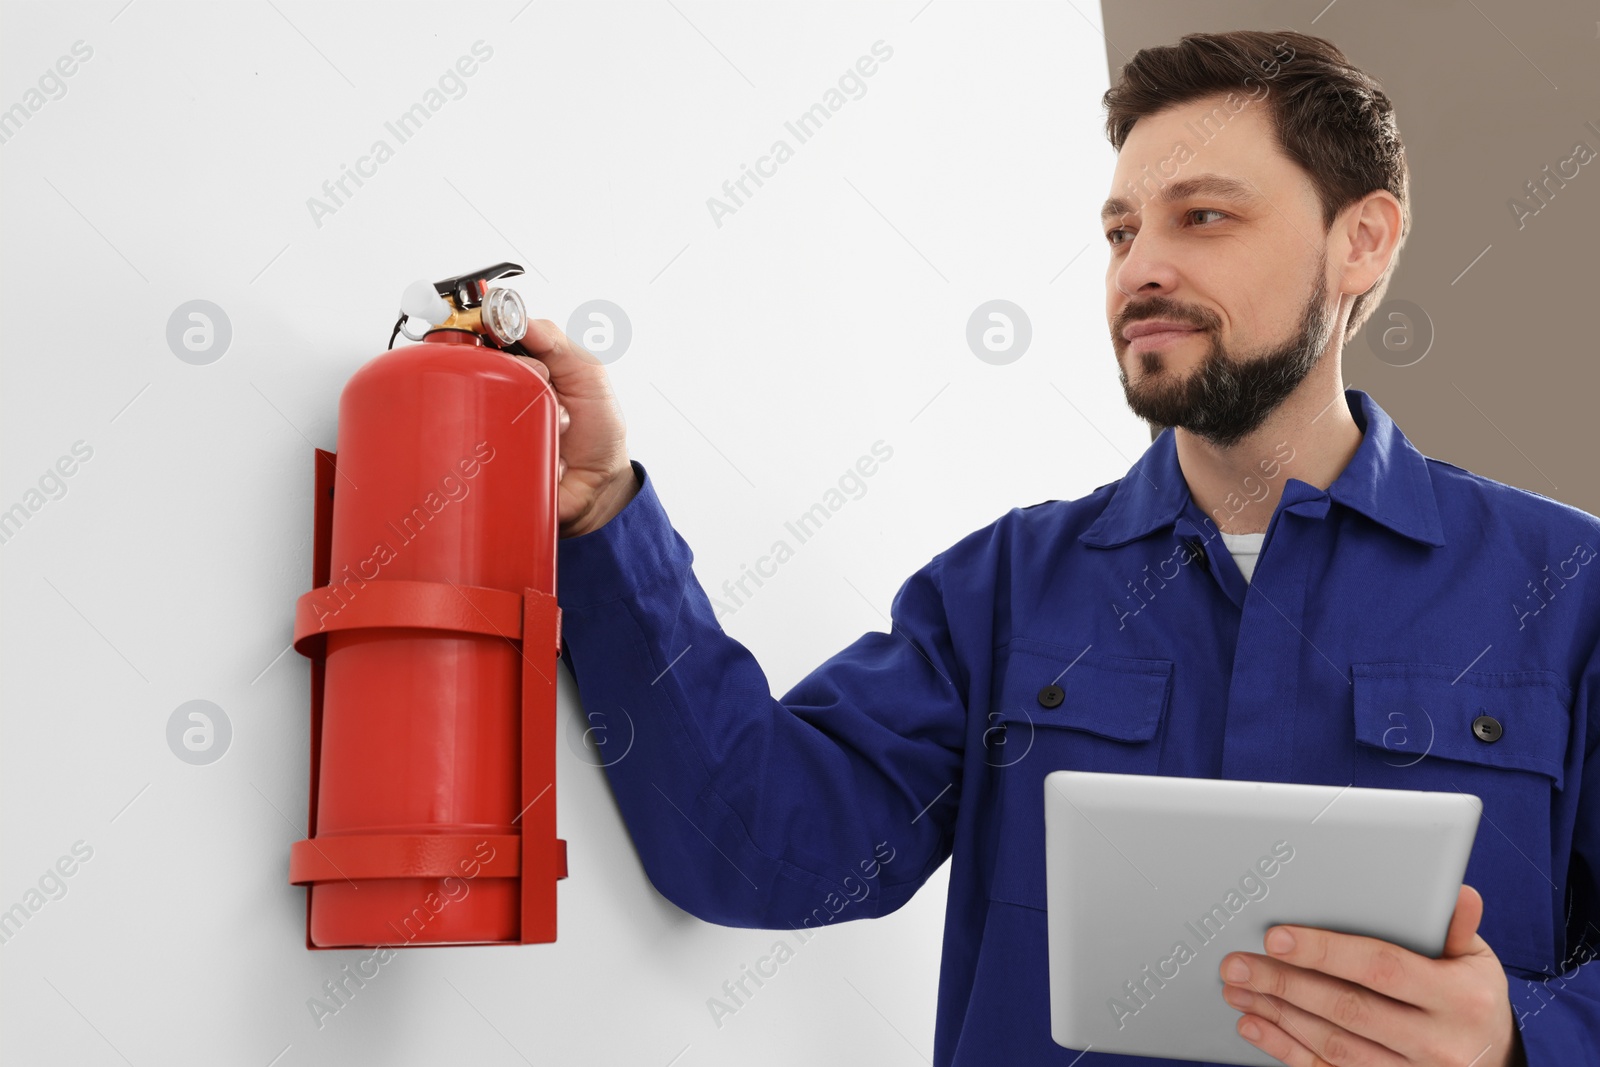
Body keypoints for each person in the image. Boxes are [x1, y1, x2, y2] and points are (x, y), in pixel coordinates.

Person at [515, 29, 1596, 1067]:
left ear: (1361, 239)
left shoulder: (1565, 590)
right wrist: (603, 513)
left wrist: (1514, 1037)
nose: (1141, 271)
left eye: (1203, 216)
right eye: (1122, 231)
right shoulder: (1002, 591)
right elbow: (762, 848)